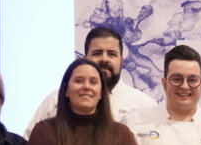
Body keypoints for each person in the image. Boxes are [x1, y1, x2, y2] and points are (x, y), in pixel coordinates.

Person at [24, 25, 156, 135]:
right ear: (85, 58)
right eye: (97, 53)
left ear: (122, 61)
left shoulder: (144, 105)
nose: (104, 59)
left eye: (111, 54)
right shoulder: (56, 100)